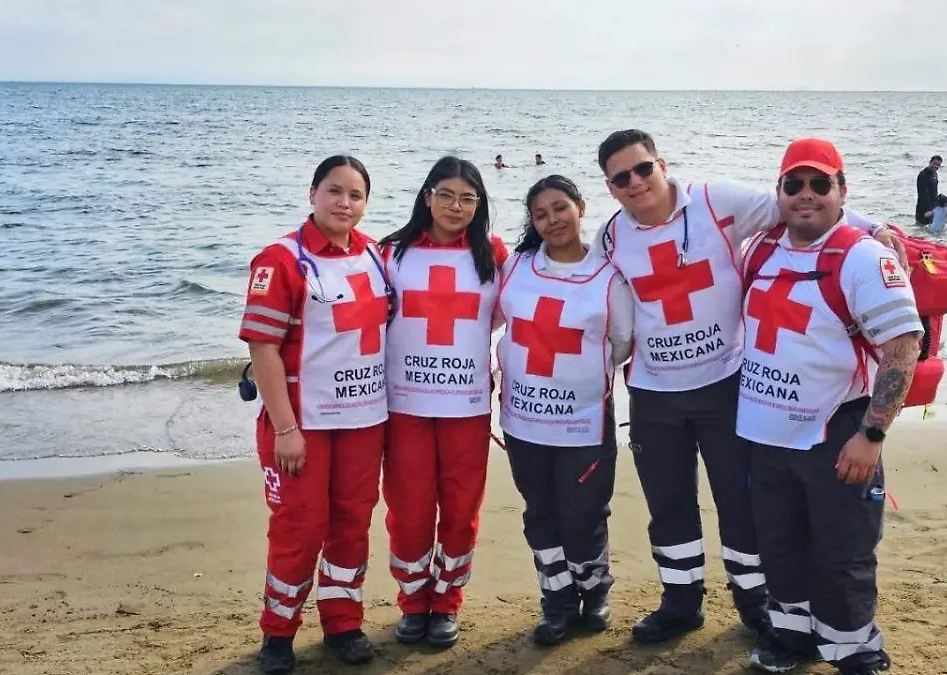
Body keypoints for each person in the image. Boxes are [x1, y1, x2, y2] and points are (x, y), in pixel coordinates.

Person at [592, 129, 899, 645]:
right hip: (653, 393)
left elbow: (799, 206)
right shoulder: (610, 237)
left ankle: (754, 603)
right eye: (622, 178)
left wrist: (875, 228)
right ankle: (680, 603)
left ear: (662, 164)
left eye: (643, 168)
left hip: (726, 386)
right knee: (668, 504)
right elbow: (596, 299)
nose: (636, 182)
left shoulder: (716, 201)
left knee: (740, 504)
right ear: (610, 187)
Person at [737, 138, 922, 674]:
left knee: (844, 549)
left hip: (836, 431)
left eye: (821, 184)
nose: (807, 194)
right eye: (794, 184)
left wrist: (872, 435)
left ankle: (854, 649)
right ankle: (791, 637)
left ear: (842, 190)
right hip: (764, 432)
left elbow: (903, 348)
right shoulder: (760, 249)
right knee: (780, 543)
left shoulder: (864, 256)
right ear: (778, 192)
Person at [239, 155, 391, 673]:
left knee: (351, 524)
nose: (344, 203)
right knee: (299, 529)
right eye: (334, 191)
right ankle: (278, 634)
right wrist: (285, 428)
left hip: (363, 421)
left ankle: (343, 625)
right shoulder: (280, 260)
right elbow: (263, 348)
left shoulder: (375, 255)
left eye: (355, 195)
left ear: (366, 203)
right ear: (312, 193)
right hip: (302, 424)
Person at [496, 175, 634, 645]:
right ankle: (556, 601)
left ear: (580, 207)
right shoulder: (516, 266)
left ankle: (593, 594)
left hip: (583, 424)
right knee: (540, 513)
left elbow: (621, 344)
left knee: (584, 513)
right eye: (540, 214)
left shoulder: (609, 276)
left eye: (560, 208)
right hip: (523, 421)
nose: (552, 220)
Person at [378, 155, 509, 649]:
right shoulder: (391, 252)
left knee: (460, 507)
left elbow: (508, 313)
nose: (456, 207)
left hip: (467, 406)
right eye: (447, 195)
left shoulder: (494, 255)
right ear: (427, 196)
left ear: (480, 204)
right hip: (405, 405)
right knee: (409, 507)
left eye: (468, 198)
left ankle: (448, 601)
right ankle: (413, 600)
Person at [915, 155, 941, 226]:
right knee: (922, 228)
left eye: (938, 165)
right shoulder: (923, 175)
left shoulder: (935, 174)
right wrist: (929, 210)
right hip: (923, 209)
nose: (936, 166)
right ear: (930, 162)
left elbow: (935, 192)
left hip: (933, 208)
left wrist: (937, 207)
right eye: (934, 163)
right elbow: (923, 194)